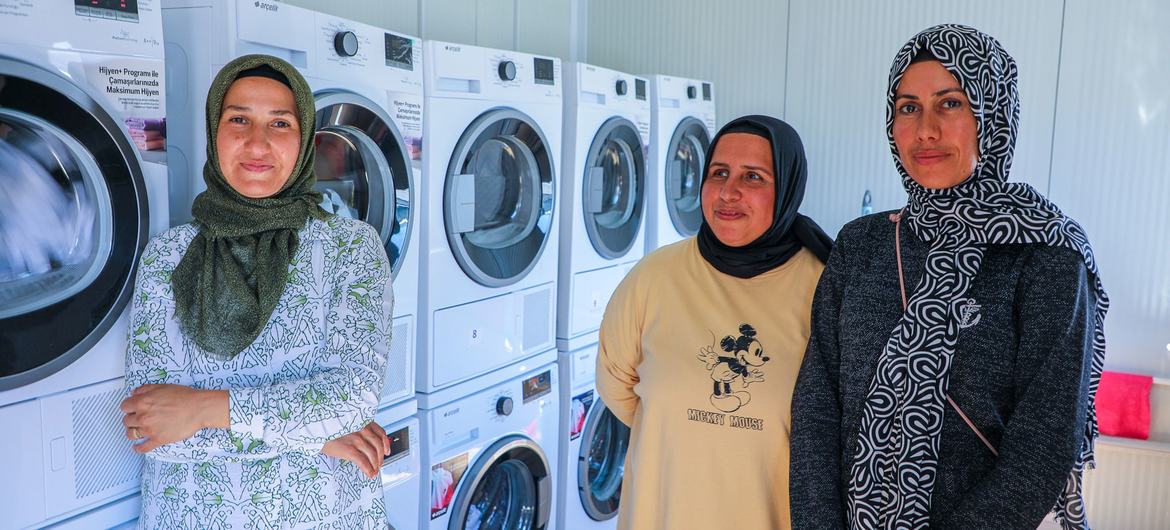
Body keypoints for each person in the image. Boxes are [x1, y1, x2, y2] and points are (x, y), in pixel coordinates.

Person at [790, 24, 1108, 530]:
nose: (926, 130)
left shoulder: (1045, 253)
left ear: (992, 116)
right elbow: (817, 407)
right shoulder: (862, 243)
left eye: (951, 103)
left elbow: (1042, 447)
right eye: (908, 107)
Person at [119, 55, 394, 529]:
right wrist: (317, 436)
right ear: (214, 131)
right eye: (239, 119)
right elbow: (153, 427)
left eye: (280, 123)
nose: (257, 142)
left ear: (305, 137)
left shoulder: (352, 248)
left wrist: (203, 408)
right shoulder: (168, 256)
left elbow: (352, 397)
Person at [596, 115, 832, 529]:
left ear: (788, 189)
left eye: (753, 177)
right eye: (718, 172)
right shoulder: (654, 278)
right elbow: (616, 387)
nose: (728, 192)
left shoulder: (824, 287)